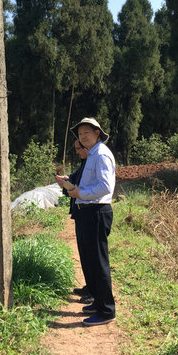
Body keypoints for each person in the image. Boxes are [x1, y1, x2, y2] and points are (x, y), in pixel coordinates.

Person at [66, 117, 116, 326]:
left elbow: (105, 187)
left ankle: (106, 311)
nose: (83, 136)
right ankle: (97, 302)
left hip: (96, 211)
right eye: (80, 133)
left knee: (99, 262)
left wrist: (80, 192)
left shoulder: (102, 154)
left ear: (97, 133)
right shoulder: (92, 155)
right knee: (91, 260)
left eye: (87, 132)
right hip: (88, 210)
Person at [56, 140, 92, 304]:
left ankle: (94, 292)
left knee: (92, 255)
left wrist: (69, 183)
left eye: (79, 148)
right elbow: (75, 179)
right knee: (84, 253)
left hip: (90, 212)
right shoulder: (84, 163)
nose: (77, 152)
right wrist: (66, 180)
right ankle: (89, 286)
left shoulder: (93, 162)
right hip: (80, 211)